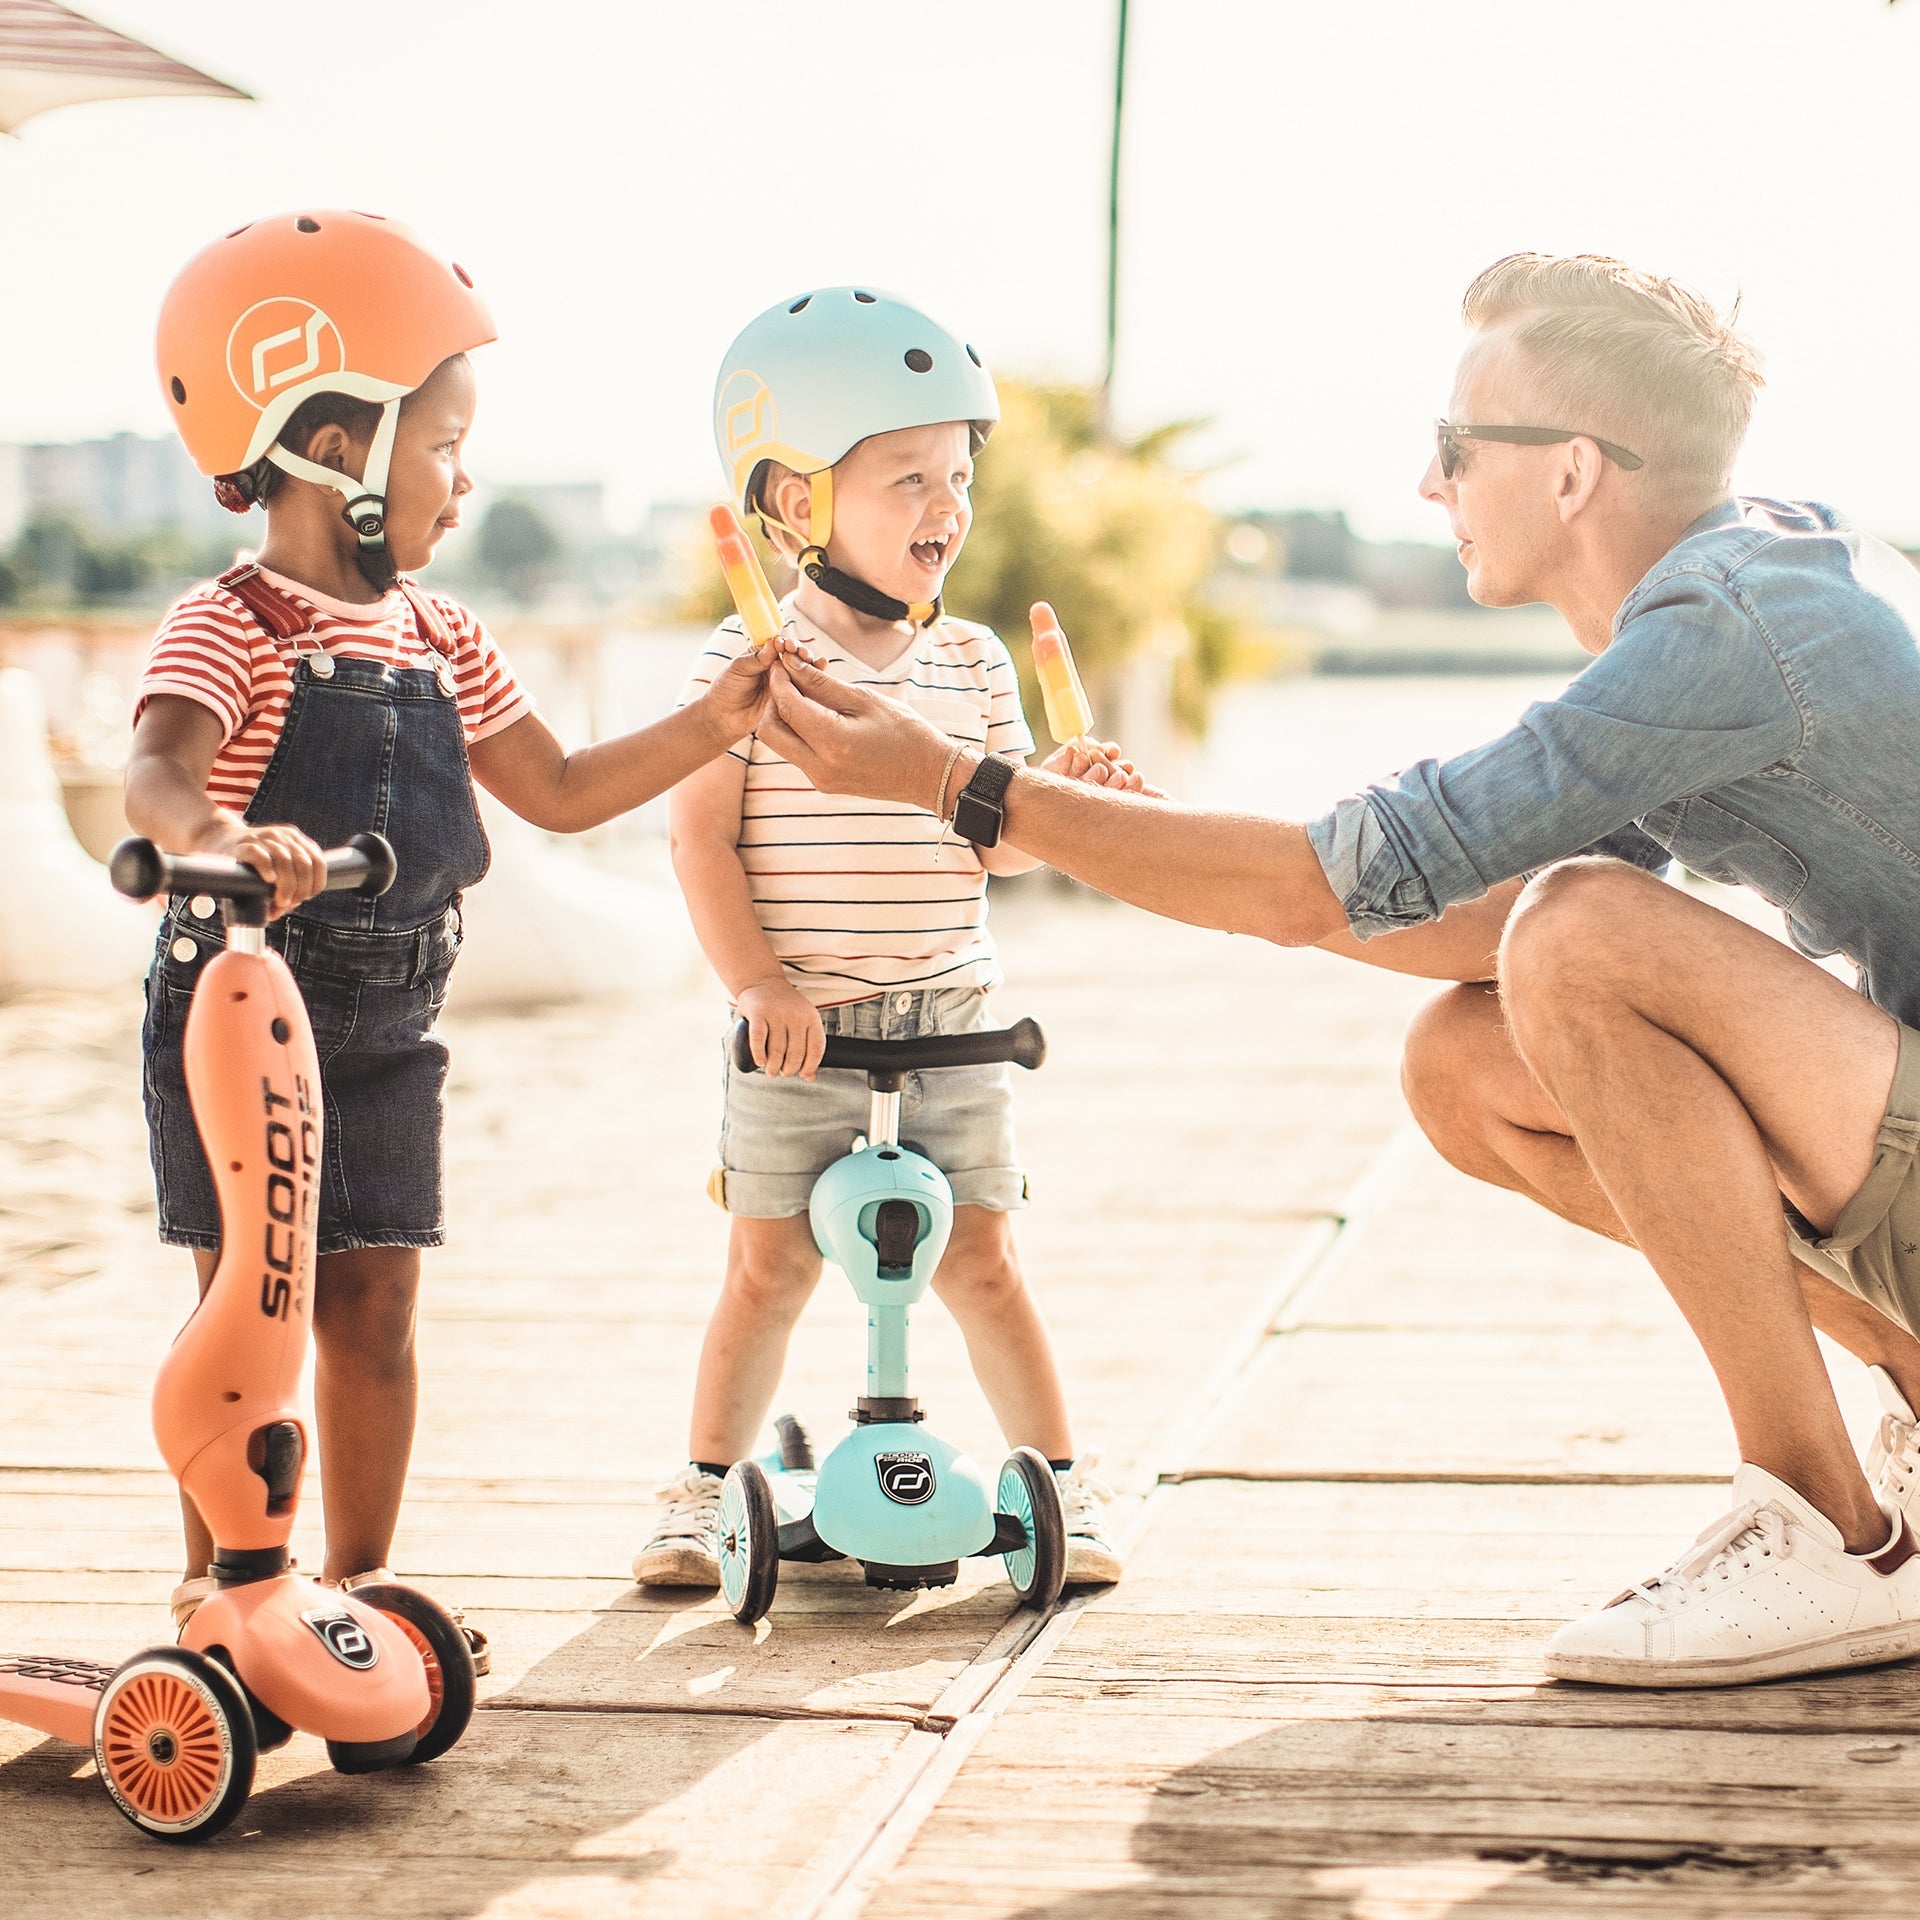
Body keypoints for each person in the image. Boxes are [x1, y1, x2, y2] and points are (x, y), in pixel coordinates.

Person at [758, 252, 1920, 1689]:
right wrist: (1146, 837)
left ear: (1570, 474)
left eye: (1453, 449)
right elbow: (1440, 910)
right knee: (1470, 1062)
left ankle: (1827, 1528)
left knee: (1582, 927)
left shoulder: (1724, 633)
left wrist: (958, 783)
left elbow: (1364, 884)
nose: (1429, 487)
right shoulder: (1744, 586)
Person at [126, 212, 809, 1663]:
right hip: (242, 1010)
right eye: (442, 442)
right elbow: (159, 769)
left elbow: (557, 792)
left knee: (374, 1299)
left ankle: (359, 1591)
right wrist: (220, 839)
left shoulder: (445, 633)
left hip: (385, 1027)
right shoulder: (230, 621)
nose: (465, 473)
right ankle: (222, 1581)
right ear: (331, 449)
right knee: (247, 1298)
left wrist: (713, 722)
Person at [631, 287, 1151, 1590]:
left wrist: (1068, 799)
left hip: (951, 1020)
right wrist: (756, 982)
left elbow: (1001, 844)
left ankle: (1067, 1484)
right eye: (907, 476)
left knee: (983, 1258)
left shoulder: (972, 663)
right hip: (796, 1029)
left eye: (958, 475)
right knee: (766, 1266)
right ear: (797, 506)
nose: (946, 505)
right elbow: (700, 842)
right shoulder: (747, 668)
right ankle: (700, 1490)